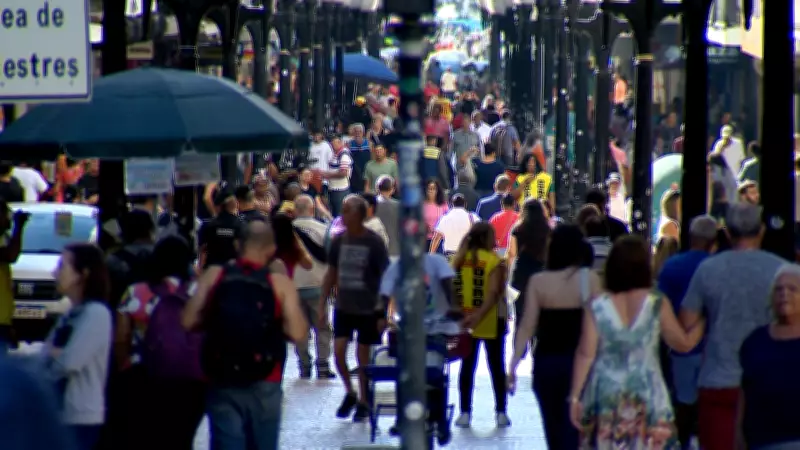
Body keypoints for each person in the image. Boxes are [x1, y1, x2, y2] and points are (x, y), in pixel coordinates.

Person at [183, 220, 308, 450]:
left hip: (222, 377)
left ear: (237, 244)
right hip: (266, 378)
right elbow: (299, 333)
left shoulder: (214, 275)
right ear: (271, 249)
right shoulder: (279, 283)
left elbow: (187, 321)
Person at [569, 236, 704, 448]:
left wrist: (575, 397)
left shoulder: (596, 305)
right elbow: (683, 343)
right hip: (648, 394)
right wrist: (702, 324)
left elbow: (586, 353)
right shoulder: (657, 303)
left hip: (606, 396)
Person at [680, 203, 785, 450]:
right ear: (761, 231)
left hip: (718, 378)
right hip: (768, 380)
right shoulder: (782, 271)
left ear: (726, 233)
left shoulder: (708, 269)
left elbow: (687, 321)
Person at [509, 225, 601, 449]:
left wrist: (512, 364)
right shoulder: (589, 279)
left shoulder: (539, 282)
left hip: (546, 363)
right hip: (581, 362)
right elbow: (600, 325)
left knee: (553, 428)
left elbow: (527, 326)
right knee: (577, 428)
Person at [114, 235, 204, 450]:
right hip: (189, 380)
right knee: (182, 439)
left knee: (147, 438)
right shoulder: (198, 292)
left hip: (143, 377)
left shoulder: (136, 292)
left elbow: (121, 338)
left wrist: (121, 370)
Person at [318, 195, 390, 422]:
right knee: (338, 352)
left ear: (359, 215)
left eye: (347, 210)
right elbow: (331, 273)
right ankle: (350, 391)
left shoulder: (374, 242)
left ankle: (364, 402)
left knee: (363, 358)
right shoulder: (339, 241)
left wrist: (382, 312)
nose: (343, 214)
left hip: (368, 308)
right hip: (344, 307)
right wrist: (322, 304)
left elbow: (386, 278)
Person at [43, 243, 113, 450]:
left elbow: (70, 362)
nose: (55, 272)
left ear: (82, 274)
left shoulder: (96, 313)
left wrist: (54, 354)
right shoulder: (70, 314)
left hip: (81, 416)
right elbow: (44, 354)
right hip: (60, 414)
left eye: (63, 266)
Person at [657, 215, 718, 449]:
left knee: (683, 403)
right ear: (714, 241)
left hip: (680, 347)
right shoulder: (717, 267)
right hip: (714, 348)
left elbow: (661, 304)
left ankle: (682, 443)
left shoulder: (672, 266)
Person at [451, 223, 511, 429]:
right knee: (497, 366)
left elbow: (449, 292)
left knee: (467, 367)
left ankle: (465, 412)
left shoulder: (456, 261)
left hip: (463, 320)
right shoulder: (494, 261)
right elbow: (494, 294)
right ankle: (501, 412)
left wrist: (463, 316)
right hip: (491, 321)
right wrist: (478, 316)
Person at [739, 264, 800, 449]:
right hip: (763, 441)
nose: (784, 294)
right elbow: (744, 394)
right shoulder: (754, 341)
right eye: (778, 289)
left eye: (792, 289)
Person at [292, 196, 335, 379]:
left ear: (295, 210)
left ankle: (304, 366)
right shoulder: (324, 230)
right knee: (322, 328)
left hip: (293, 288)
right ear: (312, 210)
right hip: (318, 286)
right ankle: (323, 365)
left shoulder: (285, 232)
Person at [0, 201, 28, 352]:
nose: (8, 218)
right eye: (5, 214)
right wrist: (19, 227)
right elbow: (11, 255)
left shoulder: (3, 237)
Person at [197, 187, 241, 270]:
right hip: (234, 270)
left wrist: (201, 270)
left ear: (218, 207)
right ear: (234, 205)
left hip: (212, 269)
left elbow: (203, 250)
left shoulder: (208, 225)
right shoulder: (240, 225)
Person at [322, 136, 353, 217]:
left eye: (335, 143)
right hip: (333, 189)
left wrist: (327, 175)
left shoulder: (344, 155)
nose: (333, 146)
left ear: (340, 142)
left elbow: (343, 173)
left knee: (340, 214)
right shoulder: (334, 154)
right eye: (332, 144)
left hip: (341, 190)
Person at [374, 176, 400, 259]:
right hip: (394, 250)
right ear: (392, 189)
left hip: (375, 251)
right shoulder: (399, 207)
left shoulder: (370, 206)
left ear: (377, 188)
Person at [423, 179, 449, 252]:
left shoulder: (443, 205)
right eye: (429, 189)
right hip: (425, 240)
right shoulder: (422, 205)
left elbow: (447, 220)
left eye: (434, 188)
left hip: (440, 240)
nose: (431, 191)